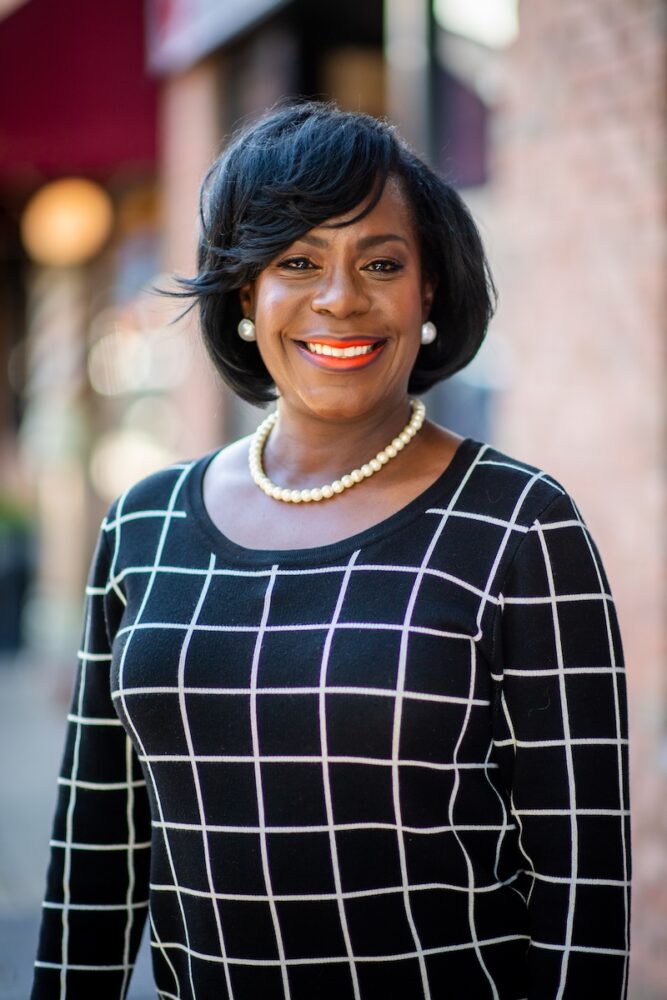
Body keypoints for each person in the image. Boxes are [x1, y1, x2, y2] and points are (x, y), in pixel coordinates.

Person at [32, 102, 631, 1000]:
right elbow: (93, 862)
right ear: (245, 294)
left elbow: (582, 885)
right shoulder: (144, 526)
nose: (340, 298)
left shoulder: (519, 526)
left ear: (429, 292)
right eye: (296, 262)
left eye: (381, 263)